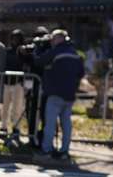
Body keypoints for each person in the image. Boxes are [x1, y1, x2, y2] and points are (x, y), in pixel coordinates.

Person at [31, 28, 83, 160]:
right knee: (66, 123)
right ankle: (64, 151)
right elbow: (81, 73)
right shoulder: (74, 53)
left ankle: (46, 149)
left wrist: (37, 47)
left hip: (55, 92)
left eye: (53, 38)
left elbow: (38, 60)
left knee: (50, 123)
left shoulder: (56, 52)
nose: (51, 41)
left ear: (59, 39)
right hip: (69, 94)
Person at [0, 29, 27, 147]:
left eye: (17, 38)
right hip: (7, 83)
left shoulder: (23, 52)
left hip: (18, 84)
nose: (15, 40)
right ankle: (3, 128)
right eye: (13, 38)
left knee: (17, 108)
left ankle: (16, 129)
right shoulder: (7, 51)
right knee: (5, 107)